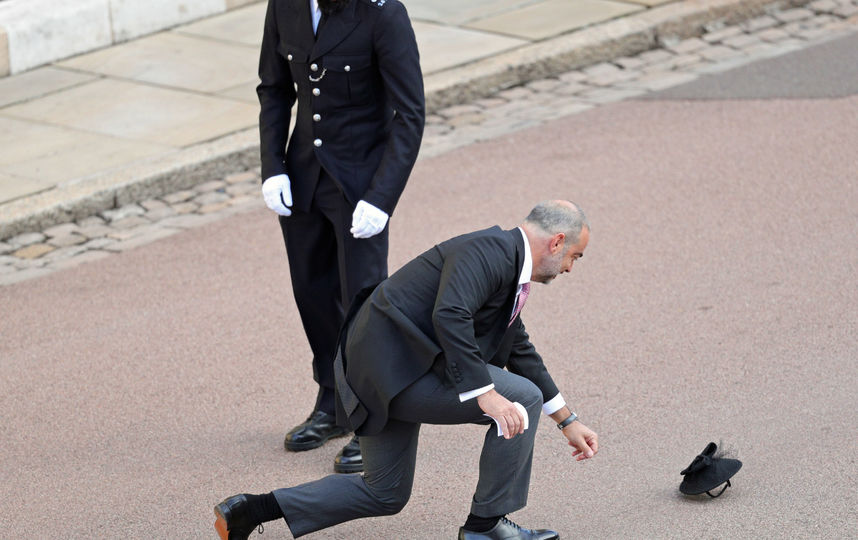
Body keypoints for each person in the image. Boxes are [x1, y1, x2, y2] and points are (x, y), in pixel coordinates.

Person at [214, 200, 600, 540]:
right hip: (395, 373)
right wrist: (486, 394)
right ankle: (486, 527)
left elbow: (519, 349)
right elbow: (450, 314)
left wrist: (568, 421)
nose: (570, 267)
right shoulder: (489, 251)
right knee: (521, 398)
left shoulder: (504, 261)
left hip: (382, 374)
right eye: (575, 256)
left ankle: (251, 510)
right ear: (557, 242)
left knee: (384, 493)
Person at [256, 0, 425, 472]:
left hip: (361, 185)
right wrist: (273, 167)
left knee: (365, 306)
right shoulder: (285, 4)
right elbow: (273, 90)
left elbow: (410, 114)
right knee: (311, 292)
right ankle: (332, 402)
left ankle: (372, 418)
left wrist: (382, 197)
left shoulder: (382, 12)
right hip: (303, 179)